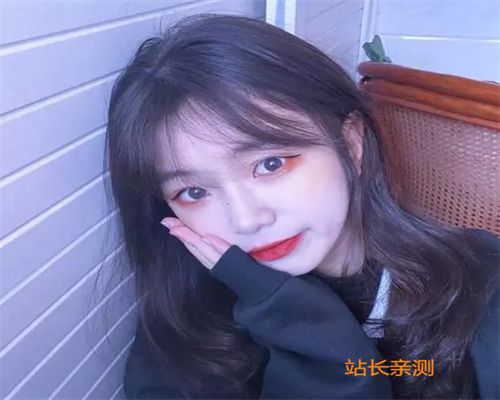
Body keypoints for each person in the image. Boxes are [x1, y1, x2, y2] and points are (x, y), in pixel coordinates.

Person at [104, 14, 499, 399]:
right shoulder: (186, 323)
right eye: (193, 192)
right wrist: (310, 338)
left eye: (270, 164)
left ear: (352, 144)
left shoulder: (479, 283)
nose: (246, 220)